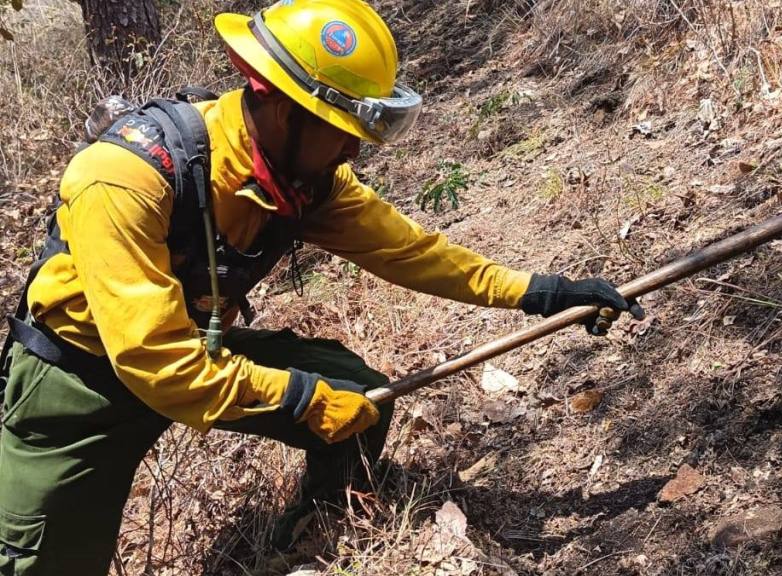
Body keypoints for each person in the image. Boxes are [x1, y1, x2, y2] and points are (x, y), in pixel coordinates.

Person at [0, 1, 644, 574]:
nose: (353, 155)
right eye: (342, 131)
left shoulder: (308, 180)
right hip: (82, 384)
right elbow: (156, 363)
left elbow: (413, 252)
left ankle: (320, 530)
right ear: (280, 105)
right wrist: (301, 400)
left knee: (356, 393)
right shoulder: (126, 175)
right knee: (48, 560)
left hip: (192, 346)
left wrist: (543, 292)